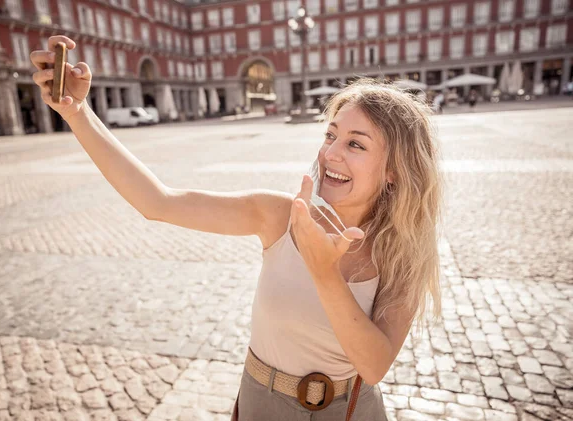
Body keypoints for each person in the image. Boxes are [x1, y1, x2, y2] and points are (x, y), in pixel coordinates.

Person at [31, 36, 443, 421]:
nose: (330, 153)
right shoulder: (278, 215)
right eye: (330, 135)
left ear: (393, 170)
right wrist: (76, 112)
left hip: (350, 410)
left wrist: (324, 272)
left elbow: (373, 365)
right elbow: (156, 202)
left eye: (355, 144)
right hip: (262, 403)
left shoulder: (402, 250)